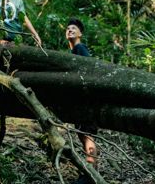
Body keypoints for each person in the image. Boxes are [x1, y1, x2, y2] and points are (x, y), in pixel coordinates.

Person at [66, 17, 97, 184]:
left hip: (86, 100)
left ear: (80, 33)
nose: (70, 30)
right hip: (79, 101)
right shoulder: (73, 51)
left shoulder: (80, 48)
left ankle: (91, 174)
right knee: (82, 135)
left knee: (87, 135)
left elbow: (89, 70)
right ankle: (88, 173)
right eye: (68, 29)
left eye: (73, 28)